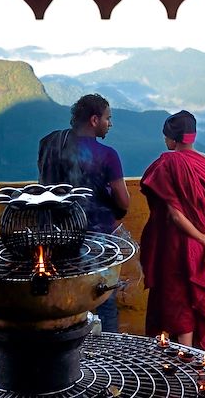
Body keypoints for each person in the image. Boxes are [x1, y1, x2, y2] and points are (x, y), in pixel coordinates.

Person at [38, 93, 130, 332]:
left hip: (59, 238)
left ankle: (69, 357)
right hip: (99, 240)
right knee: (104, 300)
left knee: (68, 302)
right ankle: (108, 355)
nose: (109, 124)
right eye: (108, 118)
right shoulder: (107, 155)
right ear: (93, 120)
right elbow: (123, 200)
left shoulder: (52, 144)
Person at [139, 110, 205, 350]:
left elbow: (175, 215)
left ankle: (181, 362)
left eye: (166, 136)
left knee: (173, 299)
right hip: (198, 248)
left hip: (174, 244)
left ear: (173, 139)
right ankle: (189, 359)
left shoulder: (167, 163)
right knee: (188, 298)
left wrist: (201, 238)